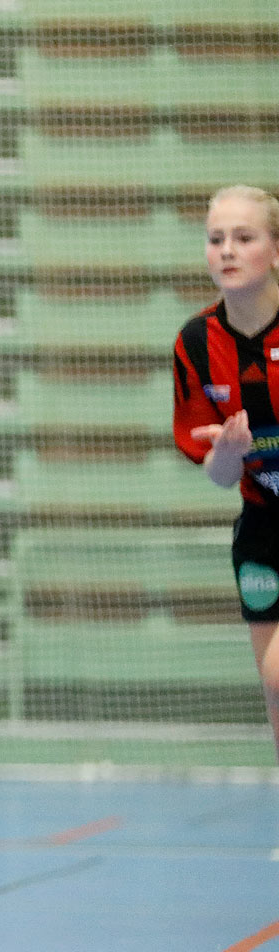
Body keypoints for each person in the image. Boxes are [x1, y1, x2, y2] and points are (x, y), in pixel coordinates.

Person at [171, 183, 279, 763]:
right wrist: (231, 455)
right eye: (216, 239)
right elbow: (215, 472)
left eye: (245, 237)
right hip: (263, 526)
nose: (228, 250)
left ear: (276, 249)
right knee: (275, 689)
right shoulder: (195, 343)